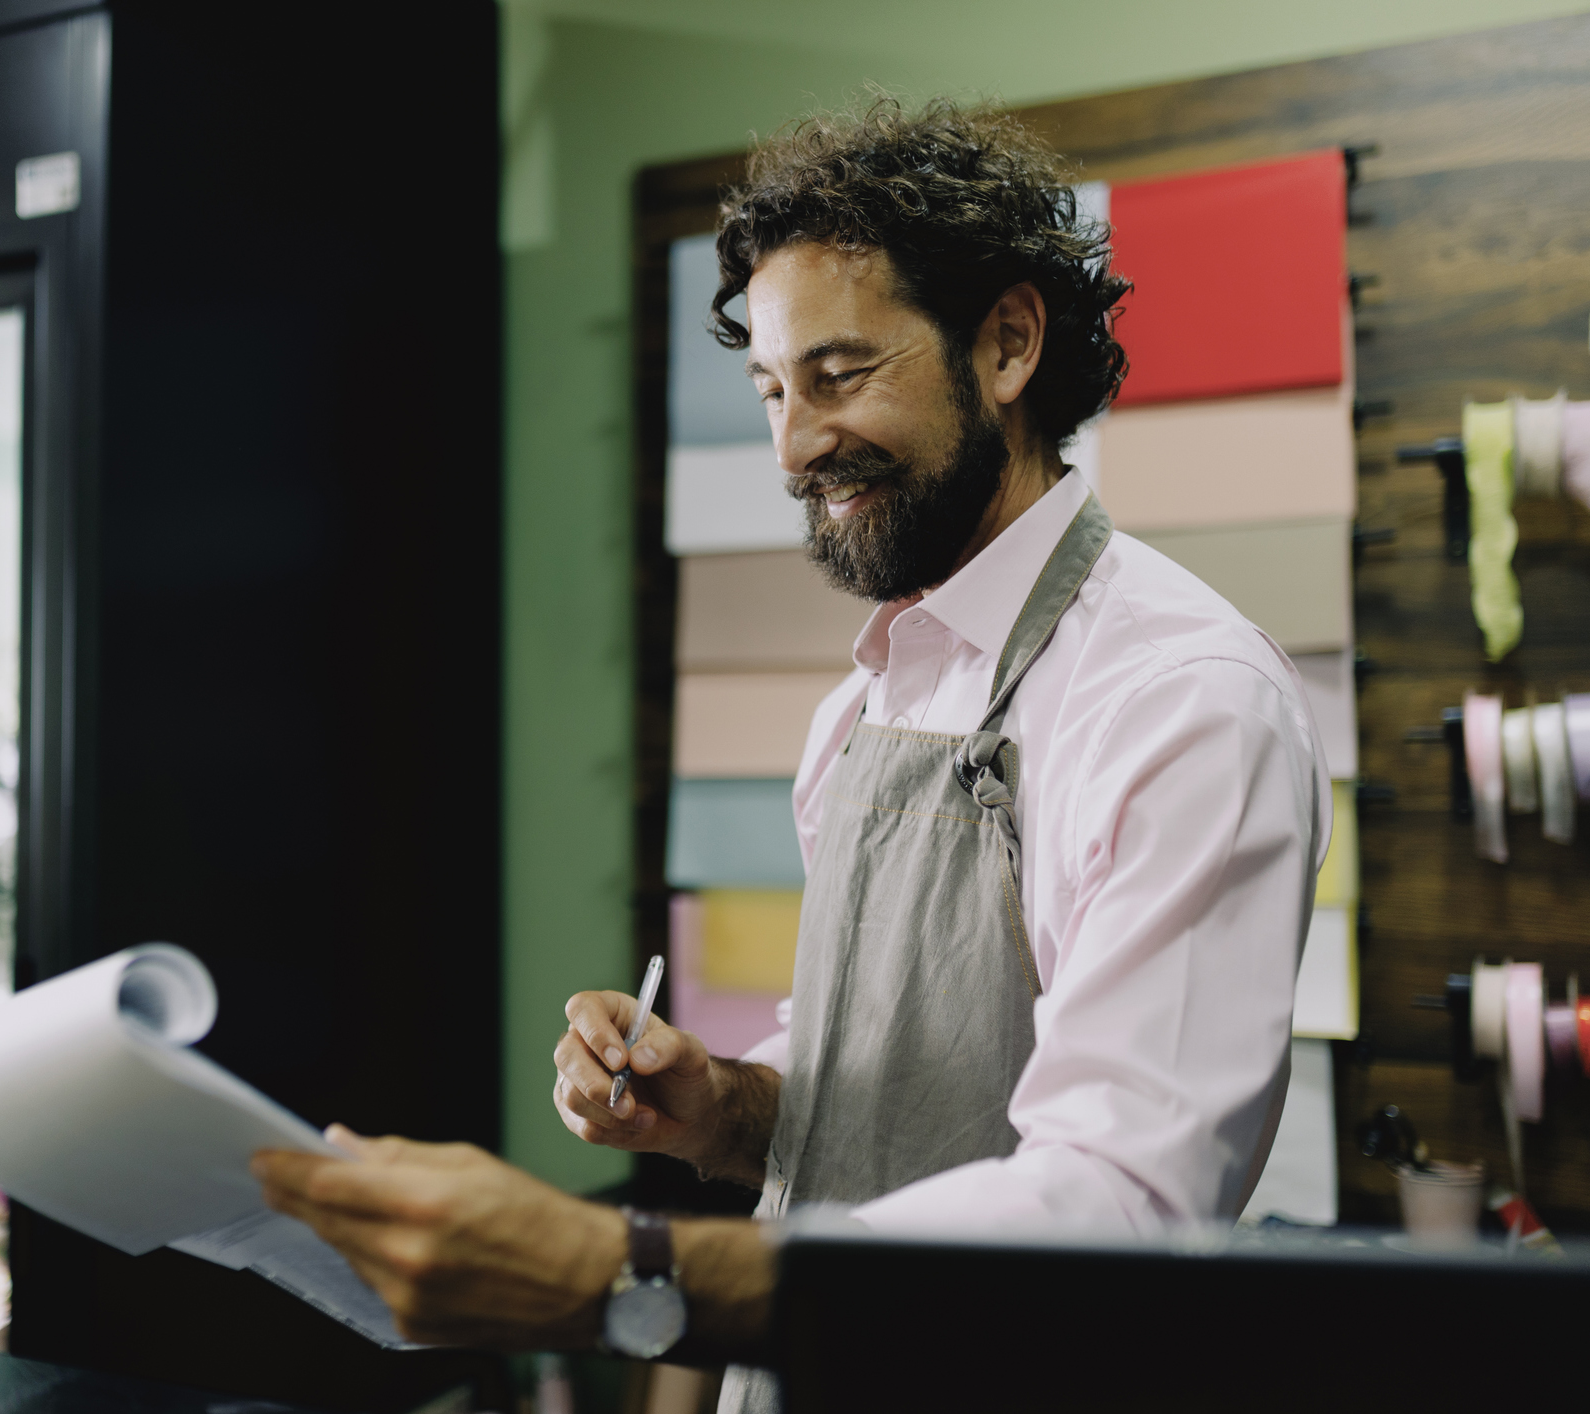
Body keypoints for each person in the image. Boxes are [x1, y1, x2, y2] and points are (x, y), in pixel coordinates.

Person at [254, 94, 1327, 1409]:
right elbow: (882, 1095)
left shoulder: (1180, 699)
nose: (792, 447)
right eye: (769, 388)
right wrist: (716, 1104)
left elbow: (1122, 1203)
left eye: (837, 374)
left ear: (1003, 343)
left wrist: (613, 1263)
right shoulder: (863, 705)